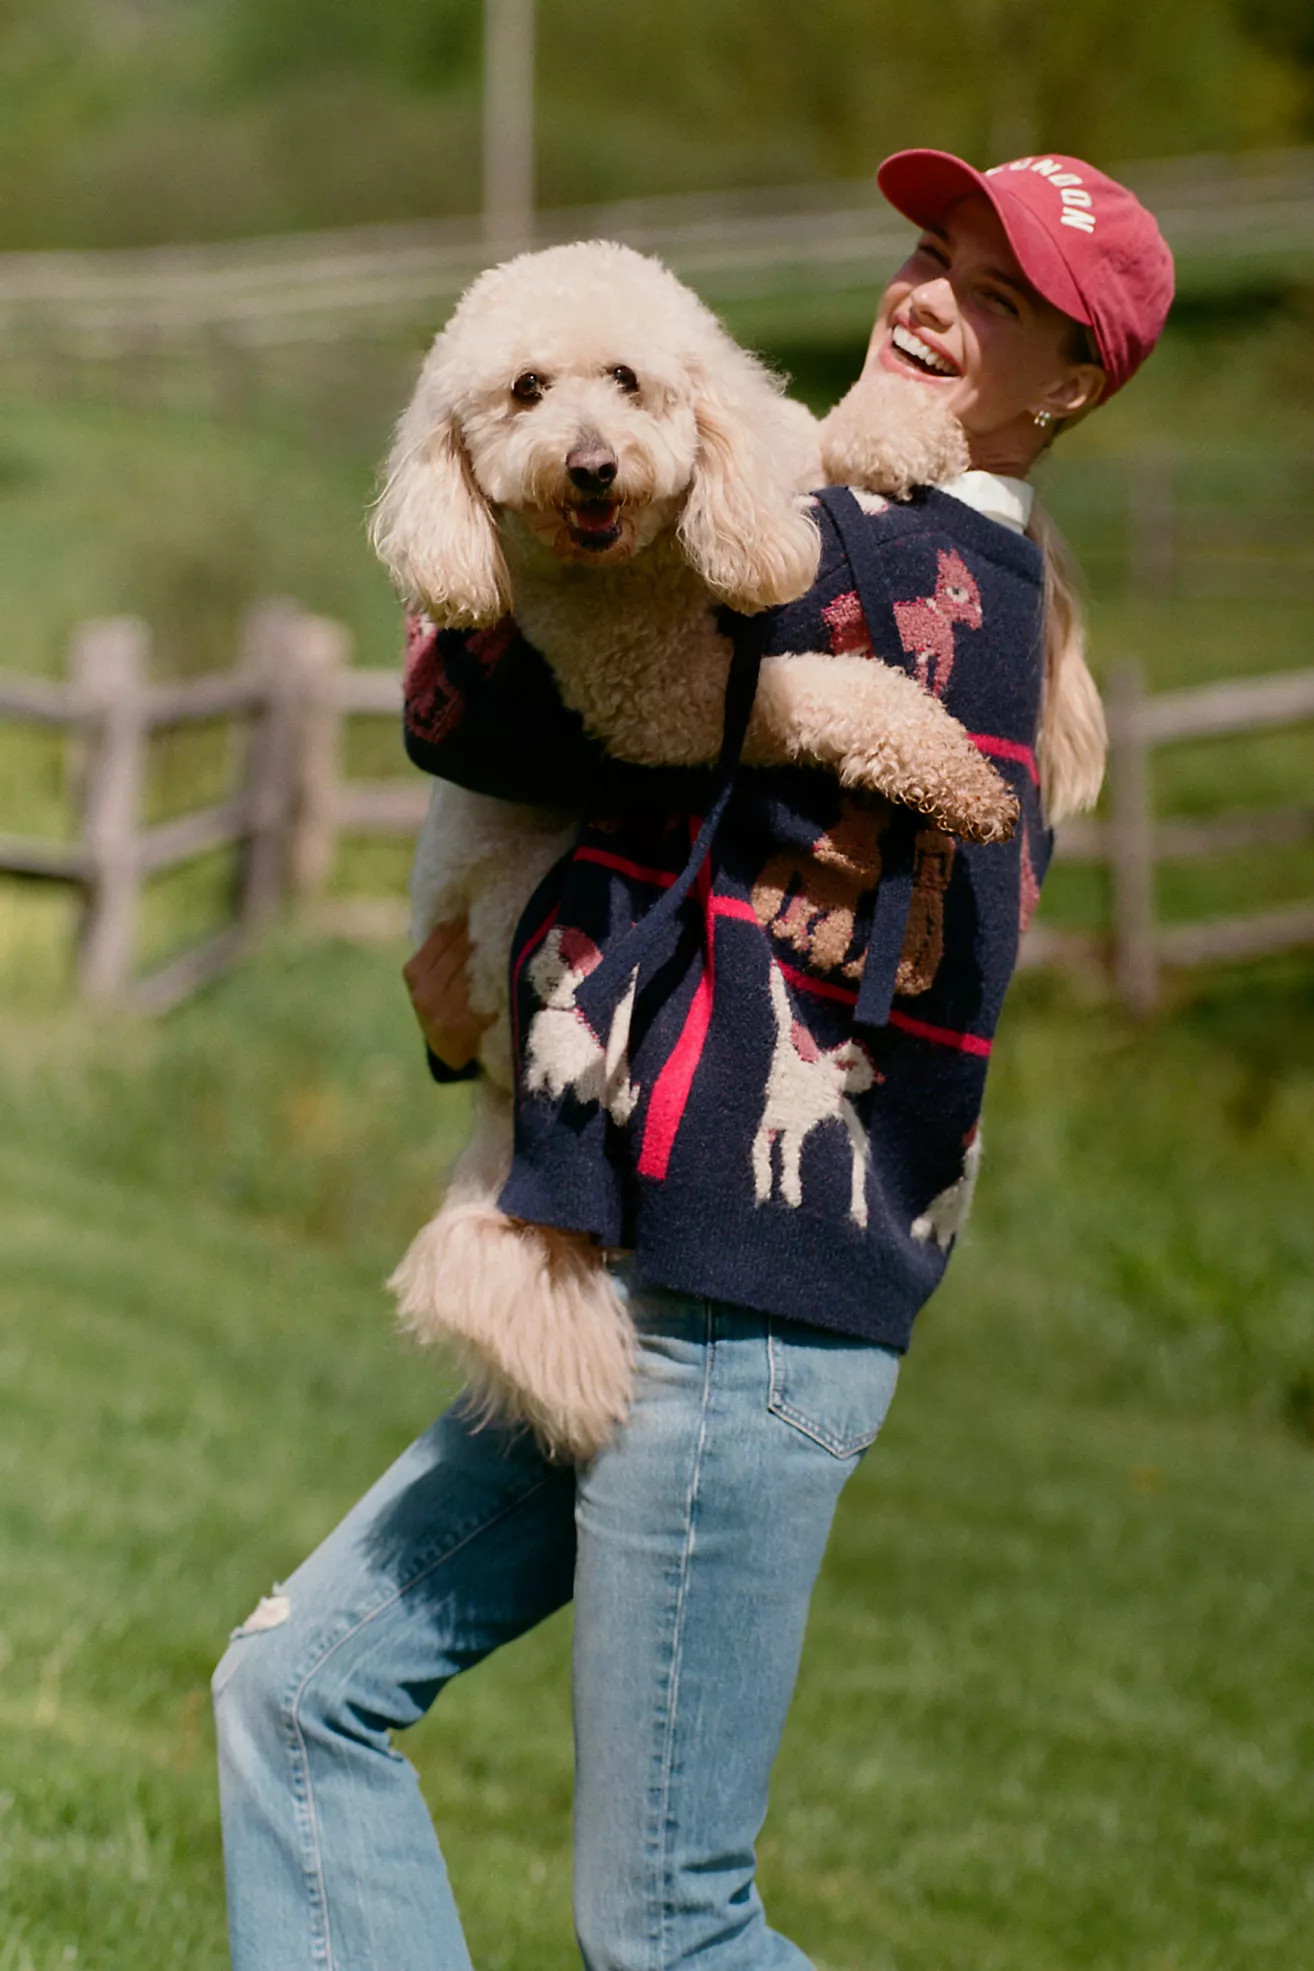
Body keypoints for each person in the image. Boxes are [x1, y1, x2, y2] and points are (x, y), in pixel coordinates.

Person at [213, 152, 1173, 1971]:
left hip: (742, 1326)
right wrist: (471, 1011)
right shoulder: (847, 534)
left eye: (995, 293)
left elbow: (465, 694)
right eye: (926, 250)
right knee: (296, 1696)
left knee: (670, 1926)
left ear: (1069, 379)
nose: (925, 293)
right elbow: (550, 750)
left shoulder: (922, 582)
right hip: (627, 1274)